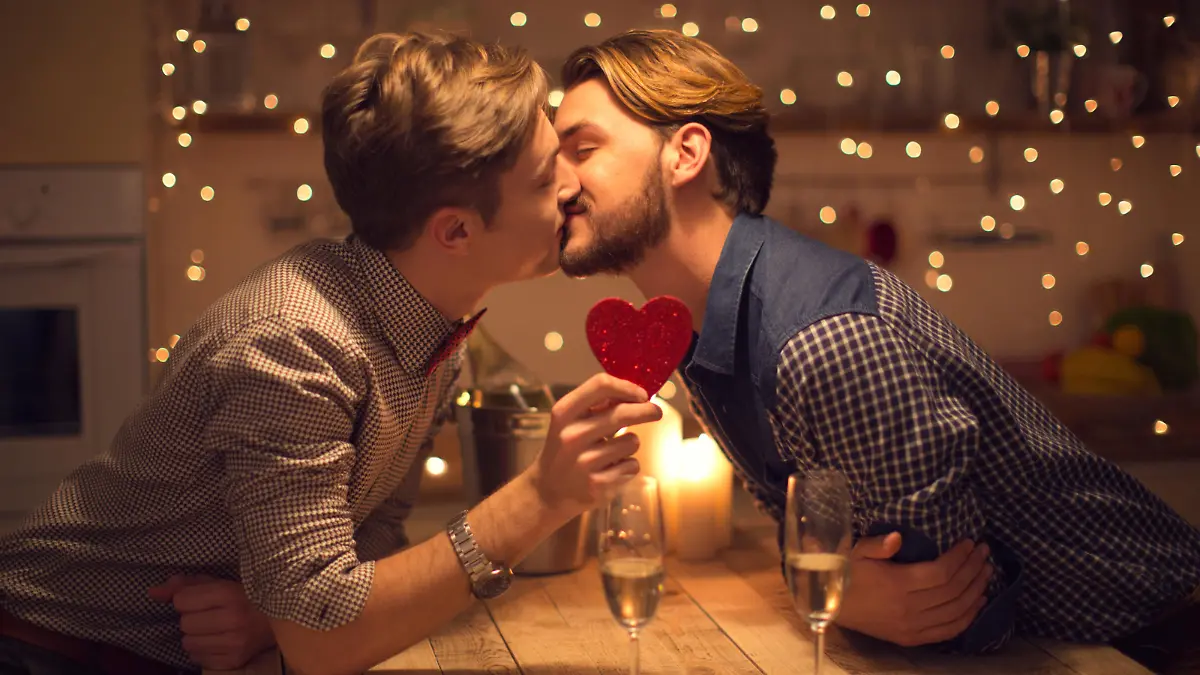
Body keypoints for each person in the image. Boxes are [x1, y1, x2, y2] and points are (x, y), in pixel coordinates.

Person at [0, 32, 662, 675]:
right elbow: (323, 643)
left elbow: (370, 539)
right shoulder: (293, 346)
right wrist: (541, 495)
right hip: (49, 648)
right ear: (456, 231)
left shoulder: (430, 324)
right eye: (546, 176)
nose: (572, 185)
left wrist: (276, 616)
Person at [553, 28, 1200, 669]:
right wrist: (832, 582)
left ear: (686, 153)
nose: (558, 183)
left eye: (582, 149)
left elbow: (943, 611)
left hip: (1156, 639)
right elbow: (810, 537)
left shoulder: (822, 342)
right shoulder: (707, 327)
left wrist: (836, 589)